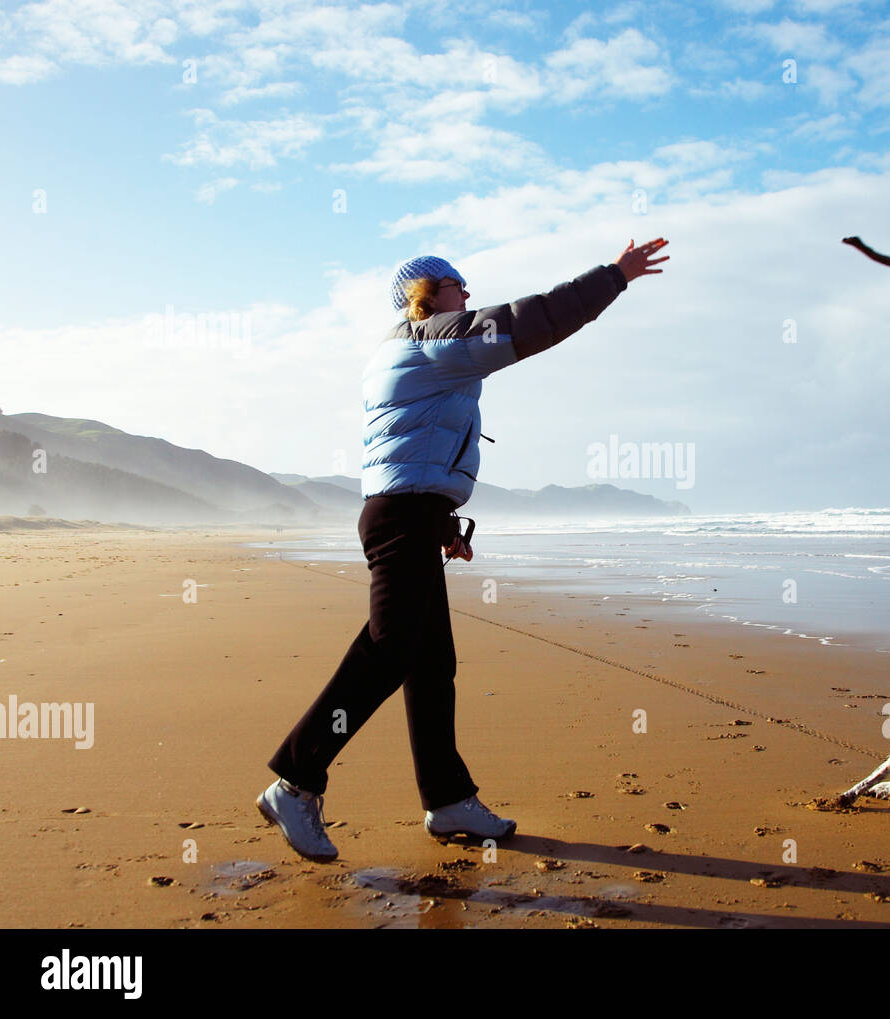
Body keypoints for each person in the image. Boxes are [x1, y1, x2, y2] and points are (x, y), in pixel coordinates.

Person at [256, 238, 670, 861]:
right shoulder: (432, 341)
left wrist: (442, 526)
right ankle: (296, 780)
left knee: (428, 663)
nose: (468, 294)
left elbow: (412, 452)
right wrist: (613, 276)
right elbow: (530, 321)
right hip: (402, 517)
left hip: (411, 513)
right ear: (427, 297)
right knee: (389, 648)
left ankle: (447, 800)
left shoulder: (409, 352)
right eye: (457, 285)